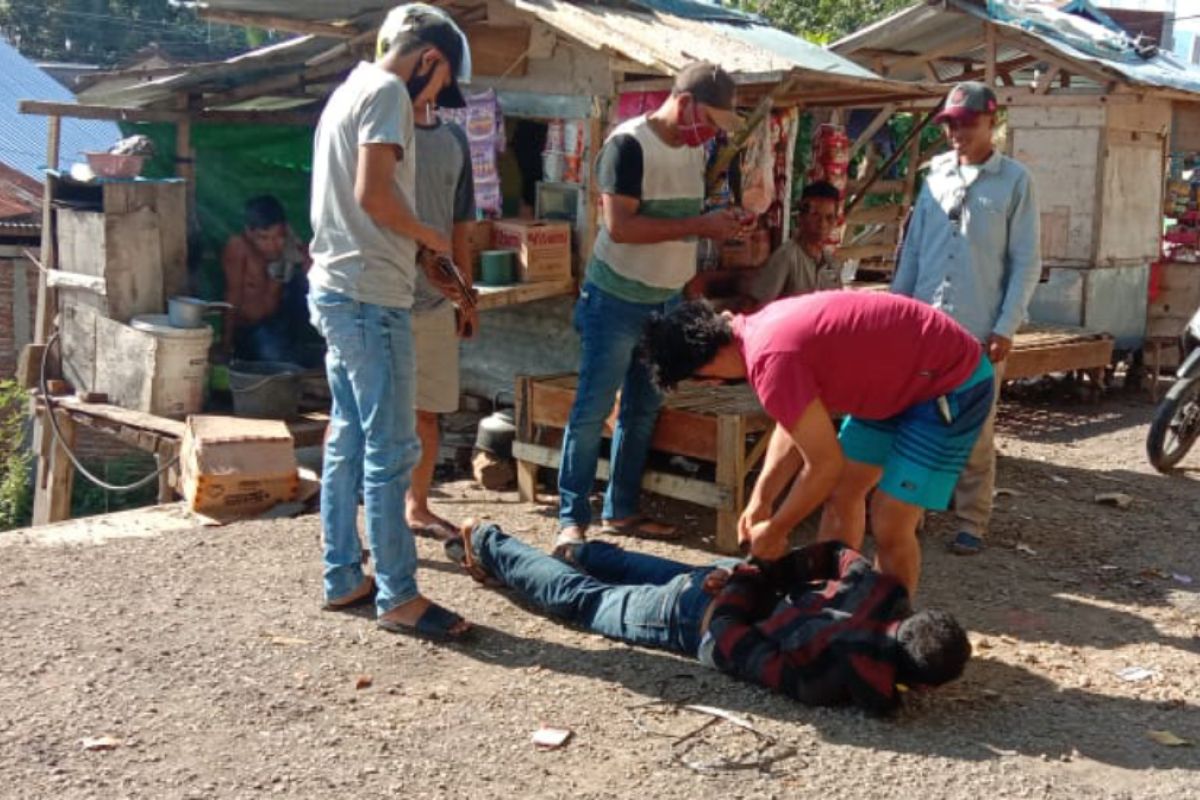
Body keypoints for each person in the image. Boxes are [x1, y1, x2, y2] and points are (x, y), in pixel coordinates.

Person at [637, 292, 994, 597]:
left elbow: (824, 465)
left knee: (889, 517)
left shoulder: (770, 358)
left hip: (950, 382)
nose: (712, 388)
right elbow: (793, 424)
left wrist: (777, 531)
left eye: (701, 383)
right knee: (841, 493)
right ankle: (836, 602)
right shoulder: (753, 334)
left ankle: (890, 629)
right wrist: (761, 501)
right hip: (894, 384)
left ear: (707, 371)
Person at [307, 3, 473, 639]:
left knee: (348, 435)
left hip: (338, 287)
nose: (435, 97)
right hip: (371, 297)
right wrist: (430, 239)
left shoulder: (346, 91)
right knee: (391, 447)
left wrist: (415, 248)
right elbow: (374, 196)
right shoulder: (385, 94)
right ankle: (400, 597)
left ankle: (343, 577)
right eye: (439, 83)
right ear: (428, 59)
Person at [454, 520, 971, 715]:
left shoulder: (883, 590)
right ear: (919, 687)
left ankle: (577, 551)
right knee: (585, 602)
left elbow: (834, 551)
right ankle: (487, 542)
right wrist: (737, 597)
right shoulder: (832, 677)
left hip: (734, 583)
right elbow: (738, 650)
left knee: (660, 572)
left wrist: (757, 574)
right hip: (711, 615)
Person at [556, 61, 746, 552]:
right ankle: (571, 516)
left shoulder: (694, 150)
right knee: (591, 408)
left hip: (664, 299)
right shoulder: (627, 144)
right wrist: (700, 228)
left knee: (643, 410)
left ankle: (621, 510)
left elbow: (678, 219)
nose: (712, 135)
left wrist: (715, 222)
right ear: (684, 104)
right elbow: (620, 227)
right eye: (709, 122)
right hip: (615, 300)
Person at [892, 81, 1041, 557]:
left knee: (975, 428)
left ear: (991, 123)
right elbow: (912, 252)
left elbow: (1025, 261)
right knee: (915, 418)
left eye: (968, 123)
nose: (958, 132)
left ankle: (972, 520)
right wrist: (897, 314)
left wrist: (1006, 326)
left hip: (978, 327)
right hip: (924, 324)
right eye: (951, 124)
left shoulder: (1014, 181)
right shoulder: (933, 175)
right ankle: (910, 511)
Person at [406, 90, 478, 542]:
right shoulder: (381, 133)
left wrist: (466, 298)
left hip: (433, 301)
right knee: (361, 414)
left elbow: (461, 226)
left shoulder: (454, 139)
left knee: (427, 412)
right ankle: (347, 520)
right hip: (381, 296)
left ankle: (417, 506)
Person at [221, 195, 321, 367]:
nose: (273, 245)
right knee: (275, 356)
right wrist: (226, 344)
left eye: (279, 236)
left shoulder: (289, 249)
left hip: (279, 327)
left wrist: (298, 253)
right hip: (248, 330)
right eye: (264, 238)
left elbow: (318, 280)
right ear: (249, 233)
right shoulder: (239, 248)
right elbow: (233, 295)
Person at [739, 181, 843, 309]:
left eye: (829, 217)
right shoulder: (787, 257)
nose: (822, 224)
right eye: (815, 215)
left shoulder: (830, 263)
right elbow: (753, 306)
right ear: (801, 217)